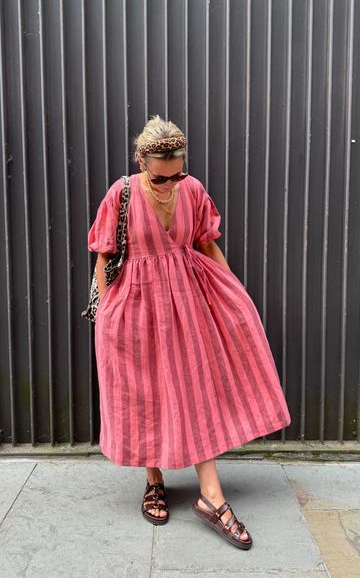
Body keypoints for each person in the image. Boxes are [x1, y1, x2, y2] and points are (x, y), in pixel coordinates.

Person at [87, 114, 291, 549]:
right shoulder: (120, 194)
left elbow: (206, 243)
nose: (171, 182)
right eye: (161, 177)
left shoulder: (193, 189)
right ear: (142, 161)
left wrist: (235, 294)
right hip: (136, 307)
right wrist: (106, 312)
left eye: (177, 172)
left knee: (193, 389)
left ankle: (211, 496)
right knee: (146, 391)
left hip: (187, 302)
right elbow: (104, 258)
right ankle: (154, 479)